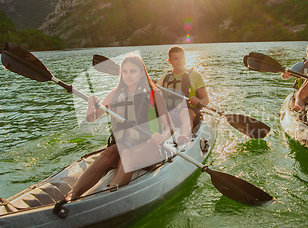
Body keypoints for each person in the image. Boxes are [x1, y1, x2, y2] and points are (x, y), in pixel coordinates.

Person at [70, 54, 172, 200]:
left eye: (133, 71)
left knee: (127, 157)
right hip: (125, 144)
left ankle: (109, 198)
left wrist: (162, 136)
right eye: (124, 71)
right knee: (107, 154)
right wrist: (90, 106)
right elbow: (92, 118)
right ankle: (72, 195)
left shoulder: (154, 95)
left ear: (142, 73)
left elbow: (170, 127)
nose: (128, 75)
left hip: (150, 146)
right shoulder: (115, 94)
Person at [157, 46, 209, 143]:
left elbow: (205, 99)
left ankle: (184, 136)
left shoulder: (195, 76)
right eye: (176, 58)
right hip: (169, 115)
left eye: (182, 58)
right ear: (170, 61)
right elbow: (155, 97)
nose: (180, 61)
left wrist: (199, 102)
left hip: (189, 112)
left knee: (185, 111)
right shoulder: (164, 78)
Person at [281, 43, 308, 109]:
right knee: (300, 97)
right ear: (306, 54)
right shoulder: (301, 65)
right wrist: (285, 74)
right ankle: (299, 109)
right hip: (302, 92)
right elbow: (284, 76)